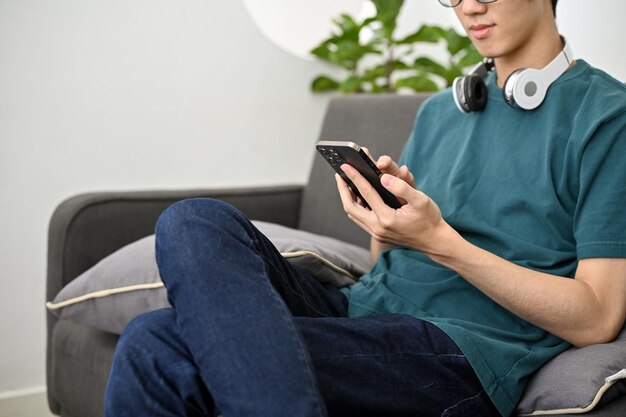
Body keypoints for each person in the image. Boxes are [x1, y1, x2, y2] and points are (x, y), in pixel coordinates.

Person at [104, 0, 626, 416]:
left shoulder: (606, 117)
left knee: (155, 343)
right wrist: (385, 219)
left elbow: (597, 318)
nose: (468, 8)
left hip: (458, 350)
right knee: (193, 220)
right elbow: (382, 265)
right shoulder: (441, 110)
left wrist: (440, 242)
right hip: (361, 311)